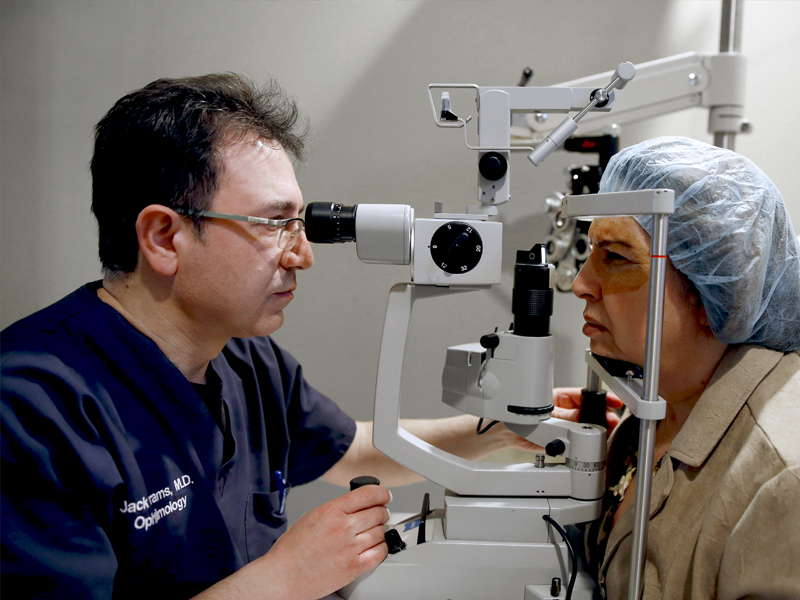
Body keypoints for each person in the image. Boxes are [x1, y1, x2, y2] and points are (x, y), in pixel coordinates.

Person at [0, 73, 621, 600]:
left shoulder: (244, 358)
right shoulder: (30, 408)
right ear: (164, 237)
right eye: (274, 225)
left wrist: (501, 429)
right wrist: (286, 577)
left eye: (299, 225)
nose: (303, 257)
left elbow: (353, 452)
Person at [570, 136, 800, 598]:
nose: (581, 284)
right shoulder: (654, 408)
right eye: (591, 251)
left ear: (710, 289)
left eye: (615, 256)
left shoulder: (780, 483)